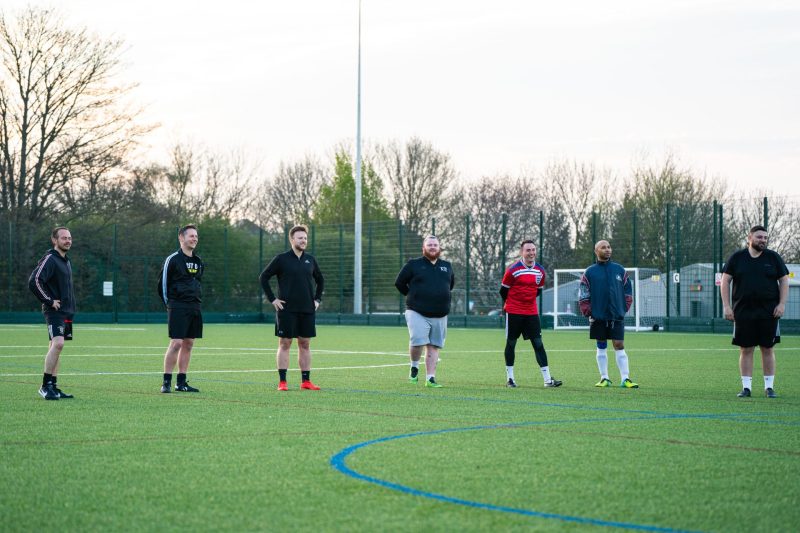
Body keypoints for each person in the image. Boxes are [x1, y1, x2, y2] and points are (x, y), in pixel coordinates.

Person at [720, 225, 788, 399]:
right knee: (746, 349)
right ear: (749, 237)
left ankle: (769, 388)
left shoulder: (773, 258)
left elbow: (784, 281)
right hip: (743, 312)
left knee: (768, 348)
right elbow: (725, 281)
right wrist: (727, 306)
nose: (763, 240)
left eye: (765, 238)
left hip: (769, 312)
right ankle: (746, 388)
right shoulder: (737, 258)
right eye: (759, 237)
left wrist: (781, 304)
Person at [260, 225, 324, 391]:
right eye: (300, 238)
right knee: (285, 343)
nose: (303, 241)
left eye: (305, 238)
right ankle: (282, 382)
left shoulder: (310, 259)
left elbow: (320, 280)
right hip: (286, 310)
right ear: (292, 239)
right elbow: (264, 277)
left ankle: (306, 381)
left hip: (307, 309)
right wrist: (273, 299)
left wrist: (317, 299)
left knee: (305, 344)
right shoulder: (281, 259)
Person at [499, 240, 562, 388]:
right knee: (511, 343)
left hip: (531, 312)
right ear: (522, 252)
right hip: (514, 311)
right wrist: (510, 304)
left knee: (538, 343)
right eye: (528, 250)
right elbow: (503, 290)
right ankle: (510, 379)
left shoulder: (540, 271)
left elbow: (538, 290)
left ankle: (547, 380)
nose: (531, 253)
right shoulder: (513, 270)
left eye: (533, 250)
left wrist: (527, 302)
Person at [395, 235, 454, 388]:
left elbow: (450, 285)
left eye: (435, 245)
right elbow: (399, 283)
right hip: (416, 311)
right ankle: (414, 366)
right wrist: (413, 296)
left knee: (434, 345)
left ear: (439, 248)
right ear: (423, 248)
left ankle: (430, 378)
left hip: (440, 313)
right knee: (418, 340)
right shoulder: (413, 264)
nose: (433, 247)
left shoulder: (447, 266)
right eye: (429, 245)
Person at [578, 240, 639, 389]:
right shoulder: (590, 272)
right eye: (603, 247)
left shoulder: (619, 270)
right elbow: (584, 292)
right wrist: (588, 310)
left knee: (619, 344)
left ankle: (625, 379)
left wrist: (623, 308)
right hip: (598, 315)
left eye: (609, 247)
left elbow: (628, 291)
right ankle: (604, 378)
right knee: (601, 345)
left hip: (616, 314)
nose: (607, 250)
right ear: (596, 251)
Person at [28, 227, 76, 400]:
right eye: (64, 238)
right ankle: (45, 385)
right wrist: (49, 301)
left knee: (56, 348)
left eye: (69, 238)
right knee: (58, 344)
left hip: (67, 312)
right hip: (54, 311)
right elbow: (34, 281)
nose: (68, 241)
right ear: (54, 241)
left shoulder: (66, 261)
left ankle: (53, 387)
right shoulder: (50, 259)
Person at [158, 224, 204, 393]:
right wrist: (169, 305)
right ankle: (166, 382)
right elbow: (162, 285)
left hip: (194, 306)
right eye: (191, 236)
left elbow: (198, 283)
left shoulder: (198, 262)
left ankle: (181, 382)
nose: (194, 239)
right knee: (176, 342)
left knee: (189, 343)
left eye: (196, 236)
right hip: (177, 306)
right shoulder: (173, 259)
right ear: (181, 238)